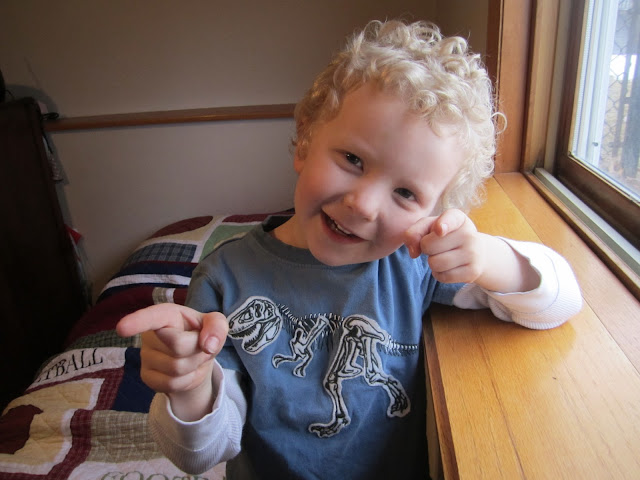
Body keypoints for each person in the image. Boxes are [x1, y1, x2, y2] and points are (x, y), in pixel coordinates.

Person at [116, 19, 582, 479]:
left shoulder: (413, 263)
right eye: (353, 160)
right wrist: (190, 389)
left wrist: (486, 257)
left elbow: (560, 300)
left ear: (433, 213)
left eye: (406, 193)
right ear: (305, 141)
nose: (363, 204)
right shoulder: (225, 279)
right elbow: (201, 456)